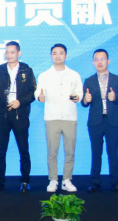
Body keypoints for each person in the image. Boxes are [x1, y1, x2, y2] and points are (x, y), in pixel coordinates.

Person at [0, 41, 36, 193]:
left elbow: (33, 92)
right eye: (7, 52)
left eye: (12, 52)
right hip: (2, 115)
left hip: (20, 115)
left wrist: (20, 102)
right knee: (0, 151)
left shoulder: (27, 70)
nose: (9, 55)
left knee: (24, 150)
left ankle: (25, 181)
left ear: (19, 53)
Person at [35, 44, 83, 193]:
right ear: (51, 56)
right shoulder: (44, 75)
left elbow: (80, 93)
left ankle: (67, 180)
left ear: (66, 55)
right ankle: (53, 180)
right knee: (52, 151)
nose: (58, 56)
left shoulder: (74, 75)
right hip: (52, 117)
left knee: (70, 151)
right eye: (54, 53)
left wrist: (77, 97)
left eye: (61, 53)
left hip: (69, 117)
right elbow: (38, 93)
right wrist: (40, 97)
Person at [81, 49, 118, 193]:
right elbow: (84, 102)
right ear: (93, 62)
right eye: (96, 59)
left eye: (102, 59)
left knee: (113, 152)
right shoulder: (89, 80)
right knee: (96, 153)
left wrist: (116, 97)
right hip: (95, 122)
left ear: (108, 61)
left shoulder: (117, 79)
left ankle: (115, 182)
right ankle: (95, 182)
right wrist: (86, 100)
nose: (99, 62)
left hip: (113, 122)